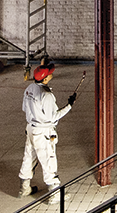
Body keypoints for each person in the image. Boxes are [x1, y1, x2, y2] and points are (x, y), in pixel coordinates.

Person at [17, 64, 76, 197]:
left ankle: (24, 188)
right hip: (43, 132)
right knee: (48, 160)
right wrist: (69, 106)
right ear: (45, 79)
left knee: (29, 157)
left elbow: (25, 108)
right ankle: (54, 194)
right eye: (50, 74)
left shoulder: (29, 88)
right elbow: (53, 117)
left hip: (31, 129)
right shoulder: (46, 95)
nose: (51, 74)